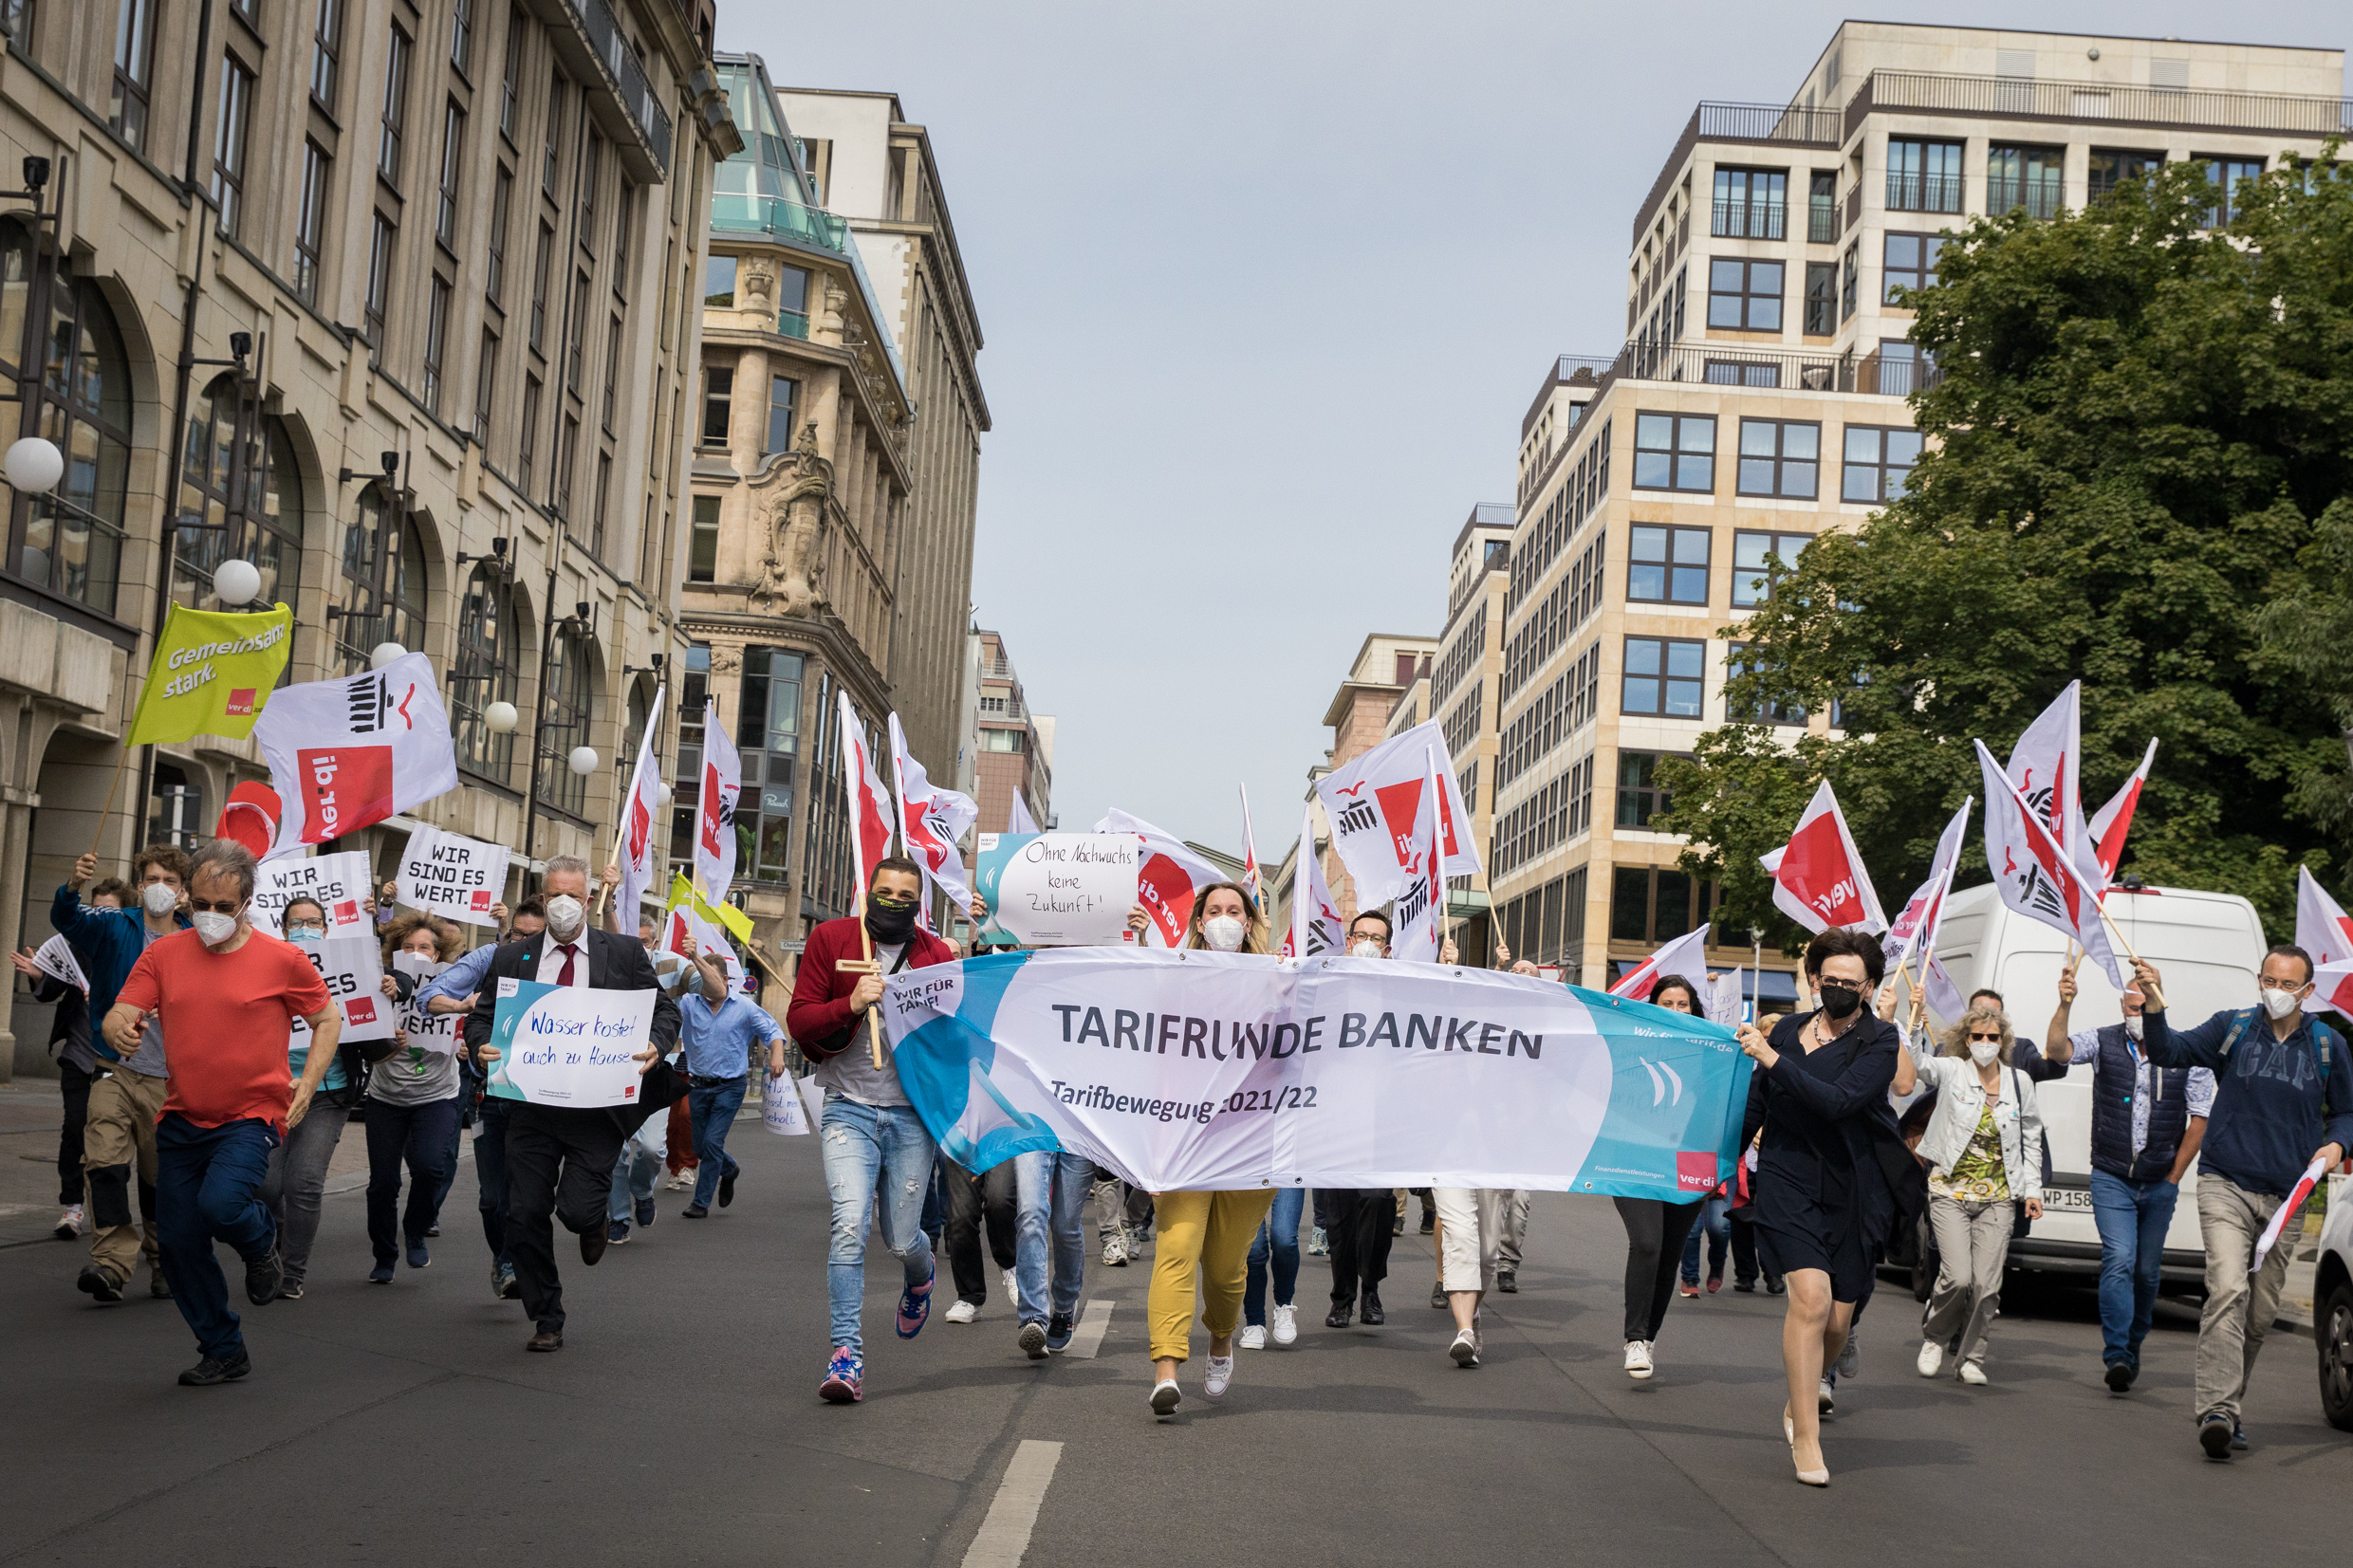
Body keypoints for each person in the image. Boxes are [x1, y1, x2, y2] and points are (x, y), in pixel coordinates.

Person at [102, 840, 339, 1385]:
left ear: (247, 902)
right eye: (201, 903)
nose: (209, 916)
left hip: (250, 1116)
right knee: (181, 1245)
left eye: (222, 907)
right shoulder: (163, 954)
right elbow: (124, 1008)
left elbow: (328, 1019)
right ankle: (223, 1348)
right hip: (182, 1118)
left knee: (224, 1204)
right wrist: (119, 1027)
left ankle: (260, 1247)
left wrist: (309, 1080)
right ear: (187, 896)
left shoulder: (283, 959)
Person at [2133, 948, 2352, 1460]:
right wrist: (2153, 1001)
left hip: (2288, 1197)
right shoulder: (2231, 1027)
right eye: (2268, 979)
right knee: (2227, 1288)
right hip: (2224, 1182)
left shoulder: (2328, 1045)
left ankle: (2230, 1404)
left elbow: (2346, 1111)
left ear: (2306, 991)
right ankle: (2216, 1410)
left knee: (2259, 1314)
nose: (2276, 990)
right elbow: (2169, 1051)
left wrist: (2337, 1144)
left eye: (2287, 983)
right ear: (2260, 979)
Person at [460, 858, 684, 1352]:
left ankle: (595, 1220)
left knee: (578, 1212)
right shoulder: (511, 958)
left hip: (596, 1109)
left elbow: (664, 1010)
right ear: (543, 898)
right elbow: (483, 1019)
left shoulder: (623, 953)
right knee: (523, 1213)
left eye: (575, 895)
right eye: (554, 894)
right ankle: (547, 1317)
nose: (565, 903)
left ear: (588, 899)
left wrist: (654, 1043)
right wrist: (481, 1045)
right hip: (529, 1108)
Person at [1735, 928, 1903, 1488]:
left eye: (1848, 983)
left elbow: (1839, 1103)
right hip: (1786, 1177)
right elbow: (1757, 1105)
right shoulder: (1785, 1030)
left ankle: (1804, 1394)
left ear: (1869, 986)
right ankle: (1806, 1434)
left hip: (1854, 1187)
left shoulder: (1880, 1042)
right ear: (1813, 980)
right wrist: (1716, 1165)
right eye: (1827, 980)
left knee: (1836, 1319)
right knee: (1809, 1298)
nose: (1836, 989)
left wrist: (1772, 1061)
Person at [786, 856, 954, 1404]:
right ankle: (846, 1355)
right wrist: (851, 1003)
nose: (894, 903)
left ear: (919, 904)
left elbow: (954, 1040)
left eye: (907, 897)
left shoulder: (934, 955)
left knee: (903, 1237)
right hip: (848, 1107)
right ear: (867, 892)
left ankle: (921, 1275)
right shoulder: (832, 940)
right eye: (886, 892)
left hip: (911, 1115)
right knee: (848, 1227)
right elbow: (801, 1020)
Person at [1145, 882, 1278, 1416]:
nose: (1224, 919)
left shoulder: (1278, 981)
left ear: (1249, 924)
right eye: (1214, 911)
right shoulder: (1173, 979)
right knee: (1176, 1252)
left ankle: (1221, 1335)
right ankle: (1166, 1369)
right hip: (1183, 1141)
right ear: (1198, 921)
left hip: (1249, 1146)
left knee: (1225, 1269)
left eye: (1235, 911)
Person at [2044, 968, 2210, 1393]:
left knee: (2147, 1273)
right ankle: (2116, 1352)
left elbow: (2200, 1118)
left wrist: (2174, 1175)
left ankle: (2134, 1343)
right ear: (2122, 1006)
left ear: (2159, 1003)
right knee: (2119, 1258)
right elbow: (2057, 1051)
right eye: (2132, 1006)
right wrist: (2065, 1003)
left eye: (2145, 1006)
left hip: (2159, 1181)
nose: (2138, 1013)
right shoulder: (2104, 1040)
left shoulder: (2185, 1050)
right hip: (2112, 1176)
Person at [55, 846, 192, 1304]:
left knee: (159, 1180)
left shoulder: (197, 940)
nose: (160, 887)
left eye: (170, 880)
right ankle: (111, 1265)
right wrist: (73, 885)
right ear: (139, 883)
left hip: (167, 1081)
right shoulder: (116, 925)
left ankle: (163, 1262)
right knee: (105, 1166)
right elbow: (69, 921)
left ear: (183, 891)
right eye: (152, 878)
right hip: (112, 1068)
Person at [1891, 1001, 2045, 1385]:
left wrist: (2032, 1189)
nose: (1985, 1043)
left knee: (1987, 1285)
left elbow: (2031, 1139)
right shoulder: (1954, 1071)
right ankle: (1935, 1337)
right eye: (1977, 1036)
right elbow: (1922, 1065)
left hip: (1999, 1195)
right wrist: (1911, 1024)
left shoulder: (2018, 1083)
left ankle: (1971, 1358)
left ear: (2003, 1041)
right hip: (1949, 1190)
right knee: (1958, 1277)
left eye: (1993, 1037)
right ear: (1966, 1039)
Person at [419, 898, 543, 1300]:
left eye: (532, 937)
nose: (522, 943)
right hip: (489, 1093)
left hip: (543, 1100)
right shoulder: (491, 958)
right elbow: (429, 996)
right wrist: (463, 1005)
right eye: (516, 935)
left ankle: (524, 1263)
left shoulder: (568, 965)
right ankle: (503, 1261)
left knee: (531, 1196)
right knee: (493, 1199)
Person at [257, 897, 365, 1299]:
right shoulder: (266, 968)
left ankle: (292, 1273)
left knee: (303, 1182)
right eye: (296, 922)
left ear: (326, 929)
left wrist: (394, 985)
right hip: (274, 1092)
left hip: (326, 1093)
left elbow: (383, 986)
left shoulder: (344, 967)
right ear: (284, 931)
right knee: (266, 1186)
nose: (305, 927)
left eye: (314, 921)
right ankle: (276, 1246)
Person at [1612, 974, 1713, 1380]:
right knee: (1648, 1243)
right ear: (1652, 1007)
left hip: (1687, 1165)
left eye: (1682, 1004)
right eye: (1666, 1004)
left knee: (1670, 1253)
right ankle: (1634, 1337)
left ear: (1694, 1009)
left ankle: (1649, 1338)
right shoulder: (1632, 1047)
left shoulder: (1711, 1053)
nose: (1674, 1011)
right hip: (1634, 1161)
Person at [15, 876, 122, 1242]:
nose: (101, 915)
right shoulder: (73, 947)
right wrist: (38, 977)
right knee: (75, 1128)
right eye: (94, 908)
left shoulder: (128, 949)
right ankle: (72, 1206)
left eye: (110, 909)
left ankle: (110, 1213)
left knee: (110, 1139)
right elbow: (51, 991)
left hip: (118, 1062)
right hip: (78, 1056)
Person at [361, 914, 468, 1282]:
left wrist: (468, 1044)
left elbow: (470, 1029)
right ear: (395, 952)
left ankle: (416, 1229)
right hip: (386, 1096)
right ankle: (384, 1254)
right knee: (383, 1182)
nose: (415, 953)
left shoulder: (455, 987)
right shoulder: (378, 986)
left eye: (424, 947)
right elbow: (359, 1041)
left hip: (436, 1094)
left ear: (438, 954)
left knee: (429, 1167)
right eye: (408, 947)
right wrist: (386, 1038)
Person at [1325, 910, 1401, 1328]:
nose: (1368, 942)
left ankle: (1370, 1287)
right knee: (1338, 1219)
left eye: (1377, 937)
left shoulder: (1401, 993)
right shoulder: (1324, 985)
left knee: (1377, 1203)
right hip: (1331, 1118)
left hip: (1380, 1121)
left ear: (1387, 950)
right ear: (1349, 941)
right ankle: (1342, 1299)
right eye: (1361, 935)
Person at [676, 939, 786, 1220]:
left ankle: (701, 1203)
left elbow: (772, 1031)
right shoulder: (689, 1003)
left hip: (730, 1087)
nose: (705, 985)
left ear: (724, 980)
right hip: (698, 1085)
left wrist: (777, 1055)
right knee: (699, 1146)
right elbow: (667, 1019)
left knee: (712, 1143)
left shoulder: (745, 1008)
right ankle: (729, 1169)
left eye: (709, 978)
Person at [939, 1157, 1019, 1321]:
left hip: (1004, 1135)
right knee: (961, 1216)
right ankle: (969, 1297)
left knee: (1000, 1199)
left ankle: (1010, 1264)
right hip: (963, 1138)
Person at [1240, 1186, 1304, 1349]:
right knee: (1253, 1248)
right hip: (1249, 1167)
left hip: (1286, 1166)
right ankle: (1255, 1323)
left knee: (1284, 1238)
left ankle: (1284, 1304)